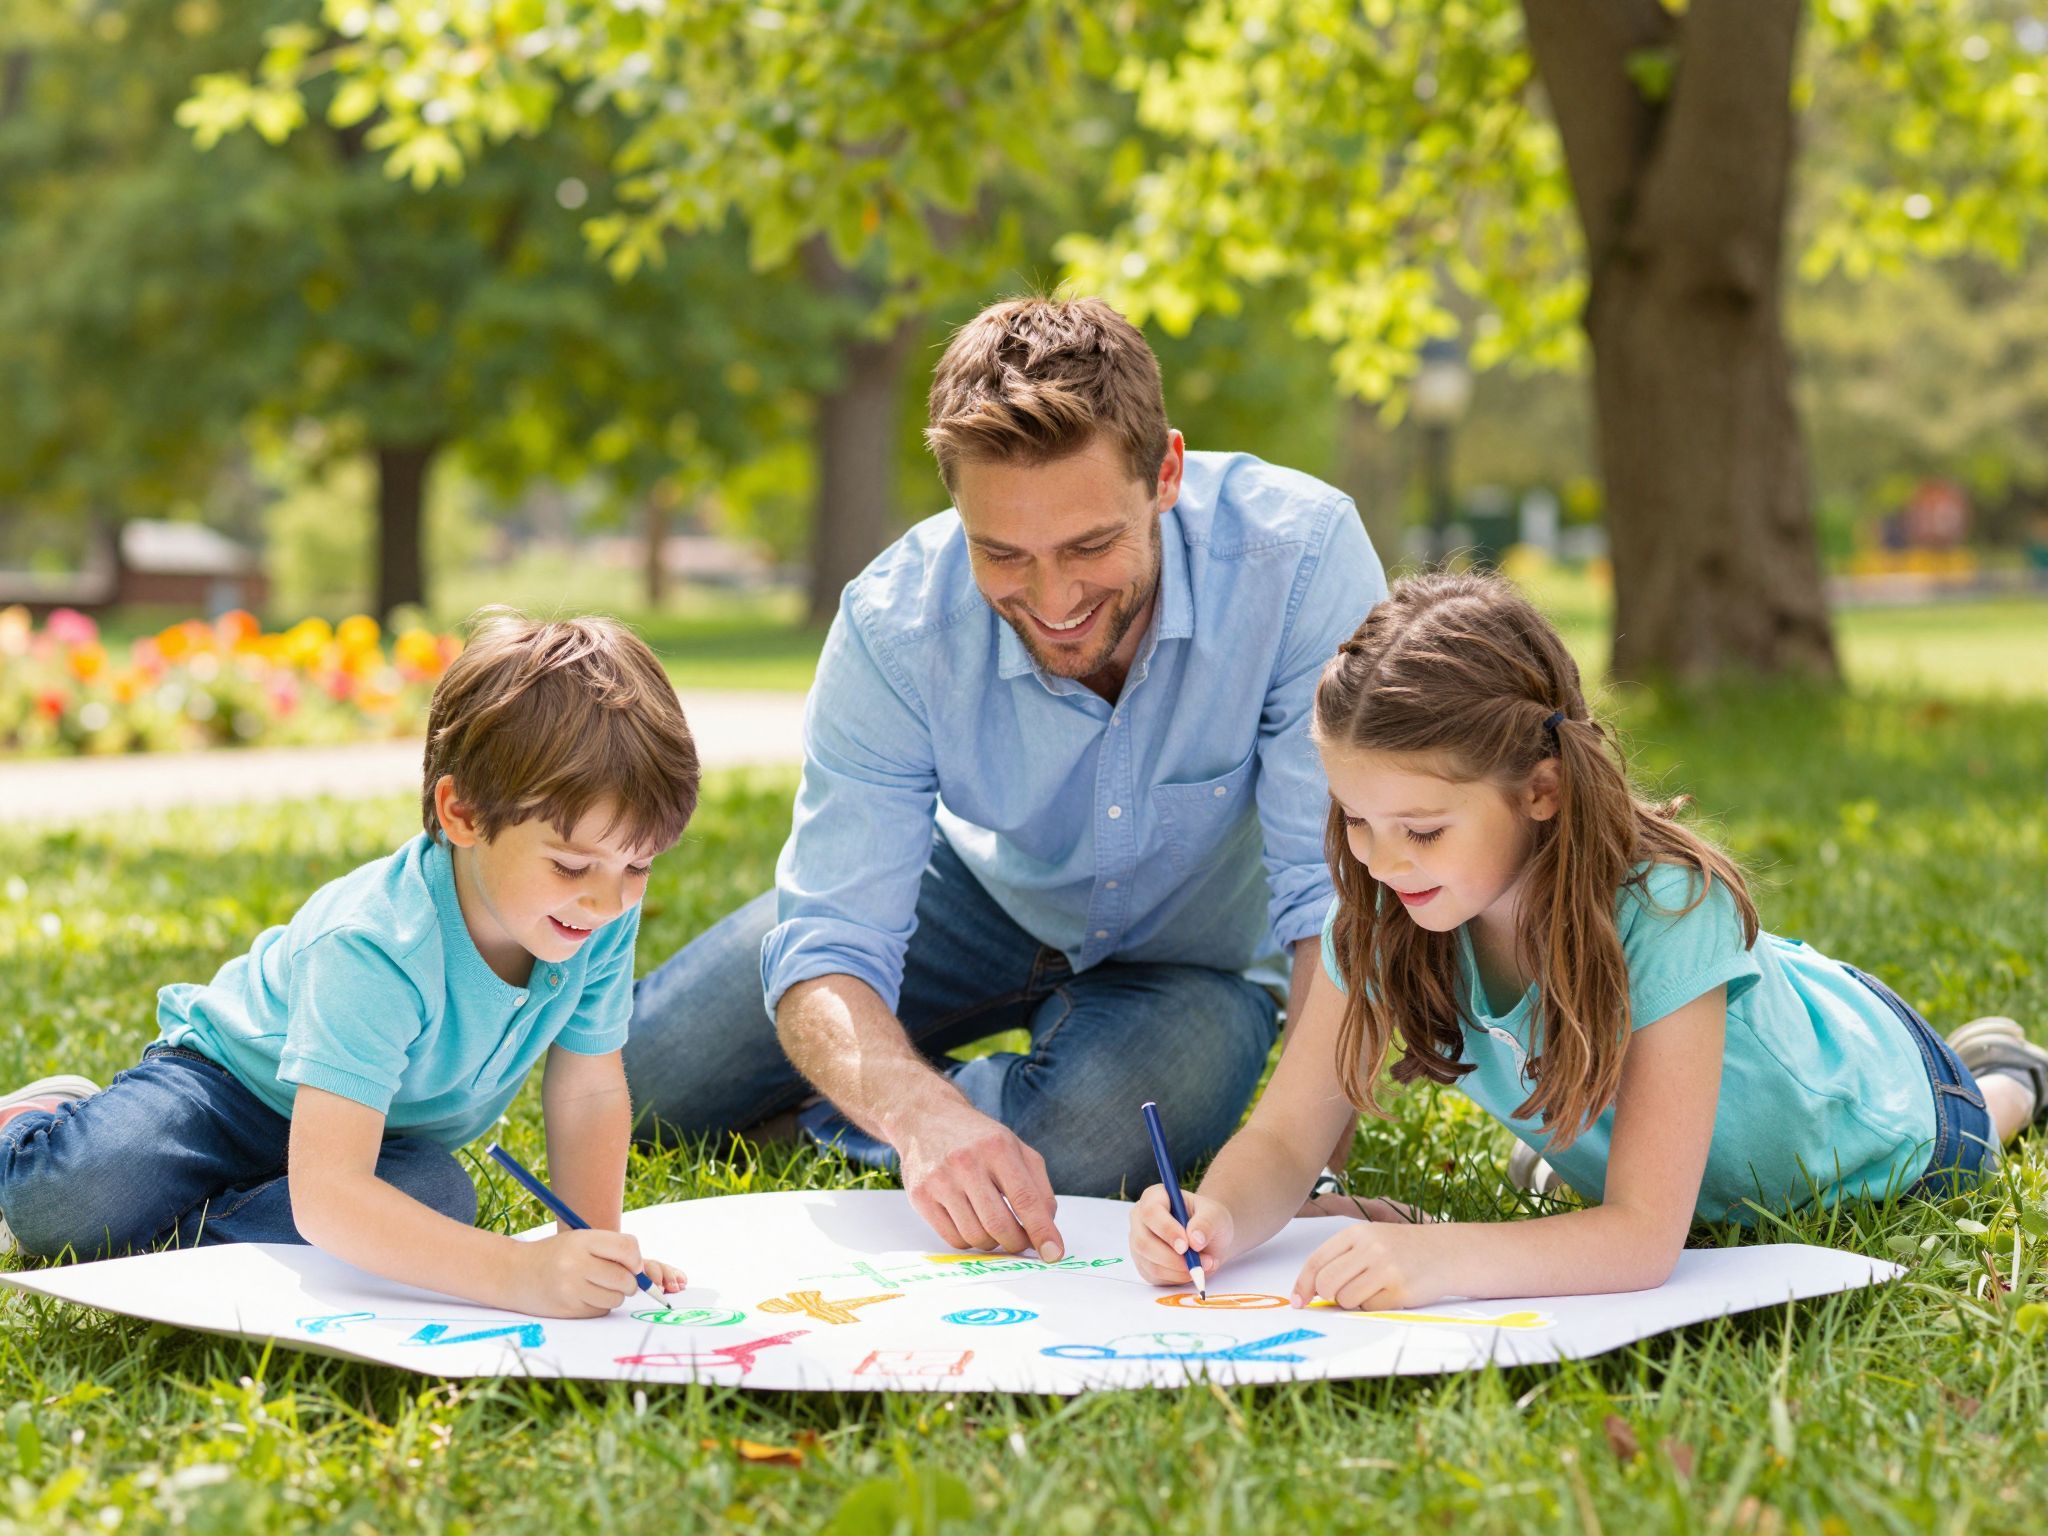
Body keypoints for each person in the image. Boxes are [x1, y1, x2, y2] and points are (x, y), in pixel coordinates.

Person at [626, 296, 1386, 1259]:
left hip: (1186, 964)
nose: (1056, 599)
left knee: (1090, 1146)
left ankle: (841, 1117)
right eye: (1003, 554)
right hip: (976, 894)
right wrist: (917, 1116)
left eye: (1089, 546)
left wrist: (1314, 1173)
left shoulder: (1300, 563)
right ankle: (915, 1120)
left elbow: (1342, 909)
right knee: (646, 1086)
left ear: (1167, 473)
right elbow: (831, 938)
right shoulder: (894, 625)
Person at [1130, 570, 2048, 1309]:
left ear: (1542, 790)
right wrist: (1210, 1216)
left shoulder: (1671, 908)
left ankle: (2007, 1072)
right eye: (1357, 821)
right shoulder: (1383, 916)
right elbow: (1289, 1140)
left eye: (1422, 828)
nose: (1380, 861)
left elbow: (1645, 1238)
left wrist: (1438, 1256)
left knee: (1972, 1127)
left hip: (1881, 1117)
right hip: (1685, 1167)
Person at [0, 614, 702, 1319]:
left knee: (438, 1199)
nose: (610, 897)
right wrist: (518, 1272)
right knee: (64, 1206)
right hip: (223, 1091)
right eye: (572, 863)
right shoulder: (378, 941)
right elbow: (333, 1193)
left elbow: (587, 1089)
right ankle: (34, 1125)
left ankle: (183, 1229)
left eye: (638, 863)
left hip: (374, 1138)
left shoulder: (593, 916)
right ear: (461, 814)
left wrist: (593, 1249)